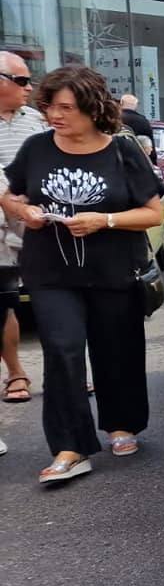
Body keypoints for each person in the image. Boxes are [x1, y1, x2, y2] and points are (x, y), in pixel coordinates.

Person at [0, 66, 164, 483]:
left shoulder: (122, 150)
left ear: (92, 109)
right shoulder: (37, 148)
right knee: (63, 350)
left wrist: (104, 220)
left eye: (66, 107)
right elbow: (11, 194)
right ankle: (70, 447)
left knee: (117, 351)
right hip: (50, 270)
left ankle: (121, 424)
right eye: (50, 105)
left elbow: (152, 213)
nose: (55, 114)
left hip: (113, 269)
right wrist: (24, 211)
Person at [0, 51, 43, 407]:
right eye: (23, 80)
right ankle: (16, 372)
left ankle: (73, 370)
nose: (30, 87)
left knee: (57, 295)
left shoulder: (38, 120)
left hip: (38, 223)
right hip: (2, 226)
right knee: (4, 302)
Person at [119, 94, 154, 159]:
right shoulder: (143, 121)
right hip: (138, 160)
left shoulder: (114, 119)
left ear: (121, 103)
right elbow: (150, 145)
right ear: (136, 106)